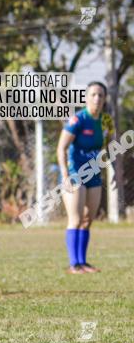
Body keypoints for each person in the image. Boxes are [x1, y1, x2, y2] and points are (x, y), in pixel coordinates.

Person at [57, 81, 112, 273]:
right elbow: (61, 148)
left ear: (105, 99)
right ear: (87, 97)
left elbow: (110, 148)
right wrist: (65, 174)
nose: (97, 98)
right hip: (74, 173)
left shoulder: (106, 121)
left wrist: (115, 172)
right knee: (76, 218)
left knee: (89, 219)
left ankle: (83, 262)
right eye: (93, 94)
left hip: (94, 174)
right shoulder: (77, 120)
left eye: (101, 95)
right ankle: (74, 264)